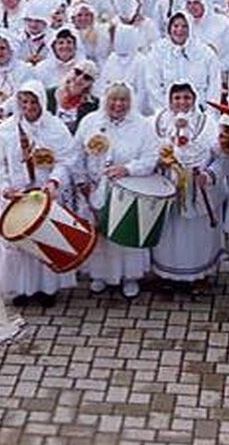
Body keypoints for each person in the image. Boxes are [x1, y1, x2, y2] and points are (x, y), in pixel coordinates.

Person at [0, 79, 78, 307]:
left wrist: (54, 182)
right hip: (15, 196)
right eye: (24, 102)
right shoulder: (6, 129)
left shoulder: (55, 127)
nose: (28, 107)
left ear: (42, 102)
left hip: (45, 195)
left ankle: (47, 289)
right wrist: (5, 186)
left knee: (45, 241)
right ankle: (20, 288)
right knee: (18, 246)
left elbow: (66, 159)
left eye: (33, 102)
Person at [75, 82, 159, 298]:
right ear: (105, 100)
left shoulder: (142, 125)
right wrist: (82, 181)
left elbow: (150, 158)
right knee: (101, 234)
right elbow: (77, 154)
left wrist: (128, 169)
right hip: (97, 187)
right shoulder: (90, 122)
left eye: (123, 100)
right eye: (114, 99)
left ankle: (130, 276)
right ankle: (100, 274)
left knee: (126, 233)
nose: (118, 104)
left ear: (131, 102)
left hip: (129, 189)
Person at [152, 81, 223, 292]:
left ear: (194, 99)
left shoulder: (208, 123)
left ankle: (200, 275)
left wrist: (209, 174)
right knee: (169, 233)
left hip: (198, 188)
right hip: (168, 186)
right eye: (177, 98)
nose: (182, 102)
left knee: (197, 233)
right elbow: (146, 152)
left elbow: (222, 157)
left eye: (186, 97)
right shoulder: (157, 122)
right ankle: (166, 275)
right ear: (169, 100)